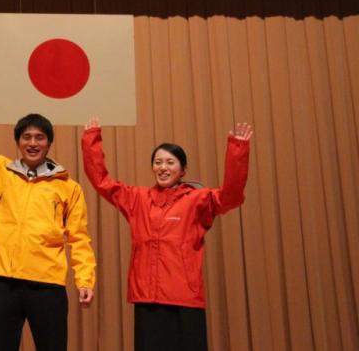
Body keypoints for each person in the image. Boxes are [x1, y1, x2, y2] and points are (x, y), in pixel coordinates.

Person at [81, 117, 253, 351]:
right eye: (158, 162)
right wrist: (91, 140)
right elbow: (102, 182)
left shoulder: (198, 200)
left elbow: (231, 196)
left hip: (184, 298)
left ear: (183, 170)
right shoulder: (137, 199)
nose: (163, 167)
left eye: (170, 162)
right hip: (147, 299)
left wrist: (238, 149)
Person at [0, 86, 96, 351]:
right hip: (3, 281)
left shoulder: (68, 187)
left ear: (49, 143)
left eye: (40, 137)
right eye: (26, 137)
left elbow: (79, 238)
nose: (32, 143)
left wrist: (85, 279)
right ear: (18, 142)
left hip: (48, 283)